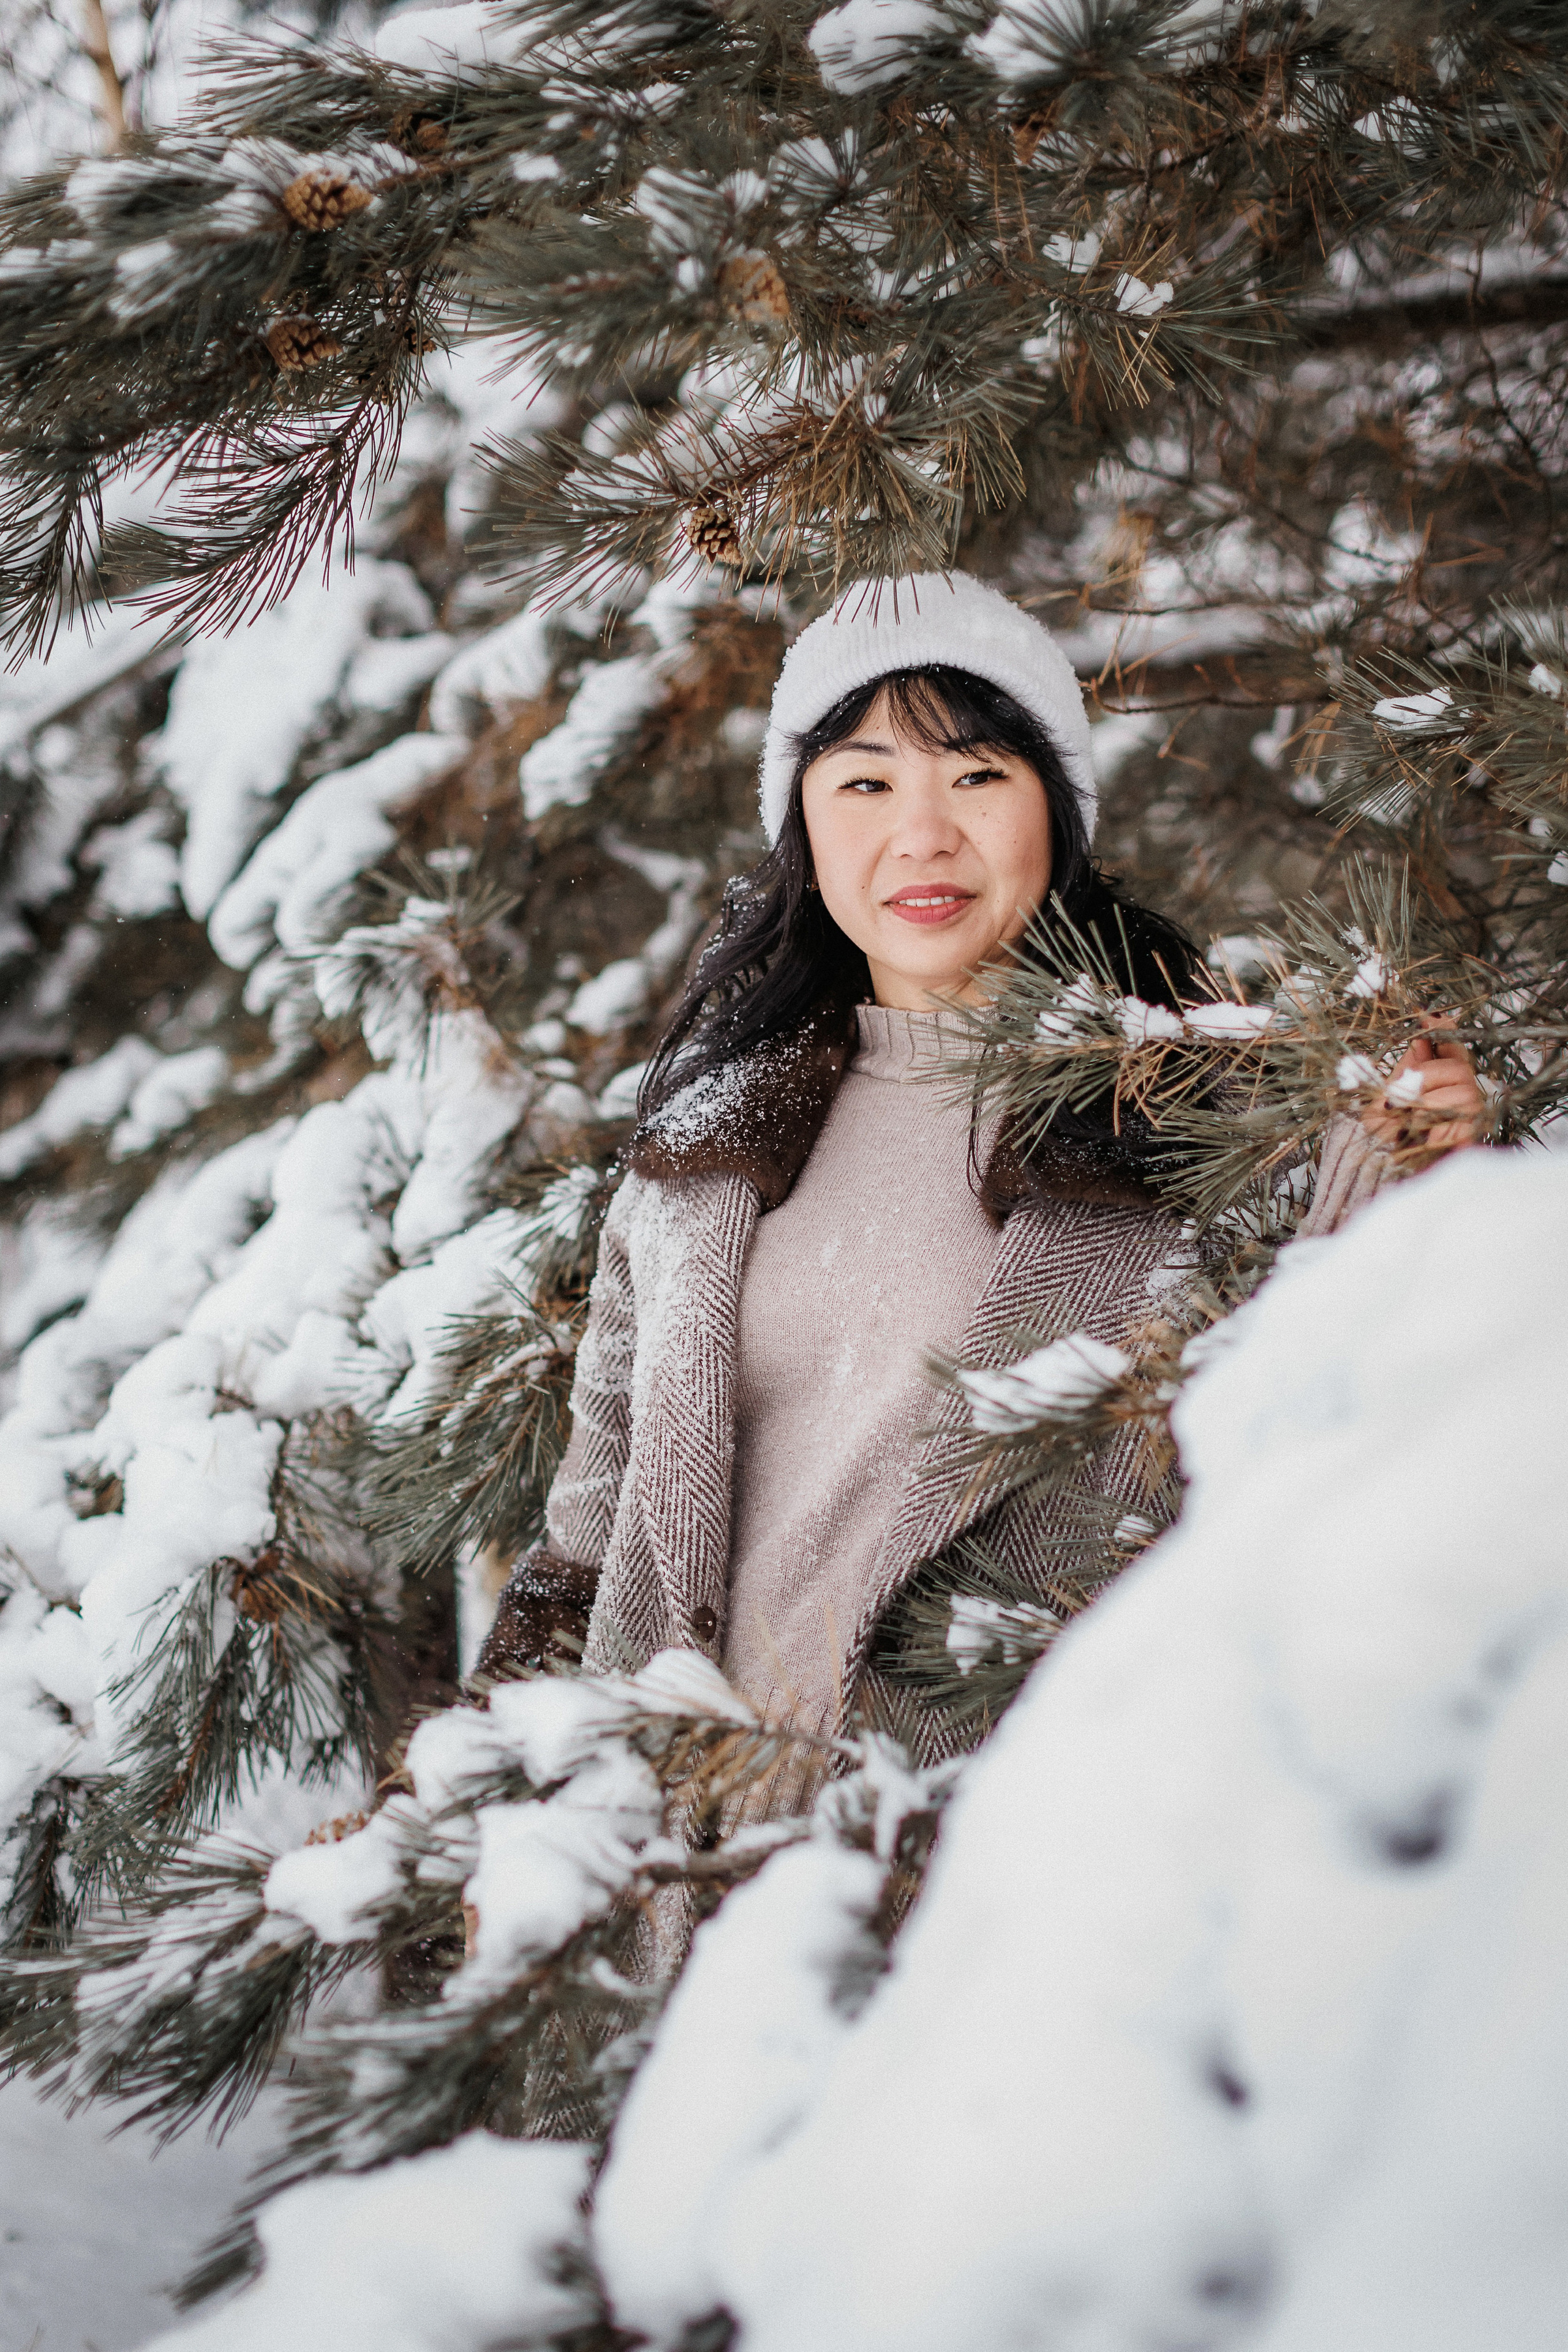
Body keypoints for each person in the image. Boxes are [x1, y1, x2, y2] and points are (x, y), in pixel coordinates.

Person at [478, 573, 1484, 1751]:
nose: (923, 834)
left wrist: (1422, 1160)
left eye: (976, 775)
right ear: (802, 826)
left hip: (1009, 1867)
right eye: (864, 782)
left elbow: (1361, 1424)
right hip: (687, 1882)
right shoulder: (701, 1160)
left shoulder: (1204, 1118)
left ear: (1054, 809)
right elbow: (586, 1558)